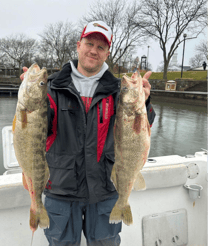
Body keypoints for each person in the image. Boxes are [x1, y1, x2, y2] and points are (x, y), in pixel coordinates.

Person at [21, 20, 156, 246]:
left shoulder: (118, 89)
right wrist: (28, 92)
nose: (93, 50)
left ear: (107, 53)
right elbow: (36, 131)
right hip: (60, 189)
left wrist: (146, 100)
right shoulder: (52, 86)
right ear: (78, 45)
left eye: (101, 47)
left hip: (105, 189)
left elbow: (142, 129)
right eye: (89, 43)